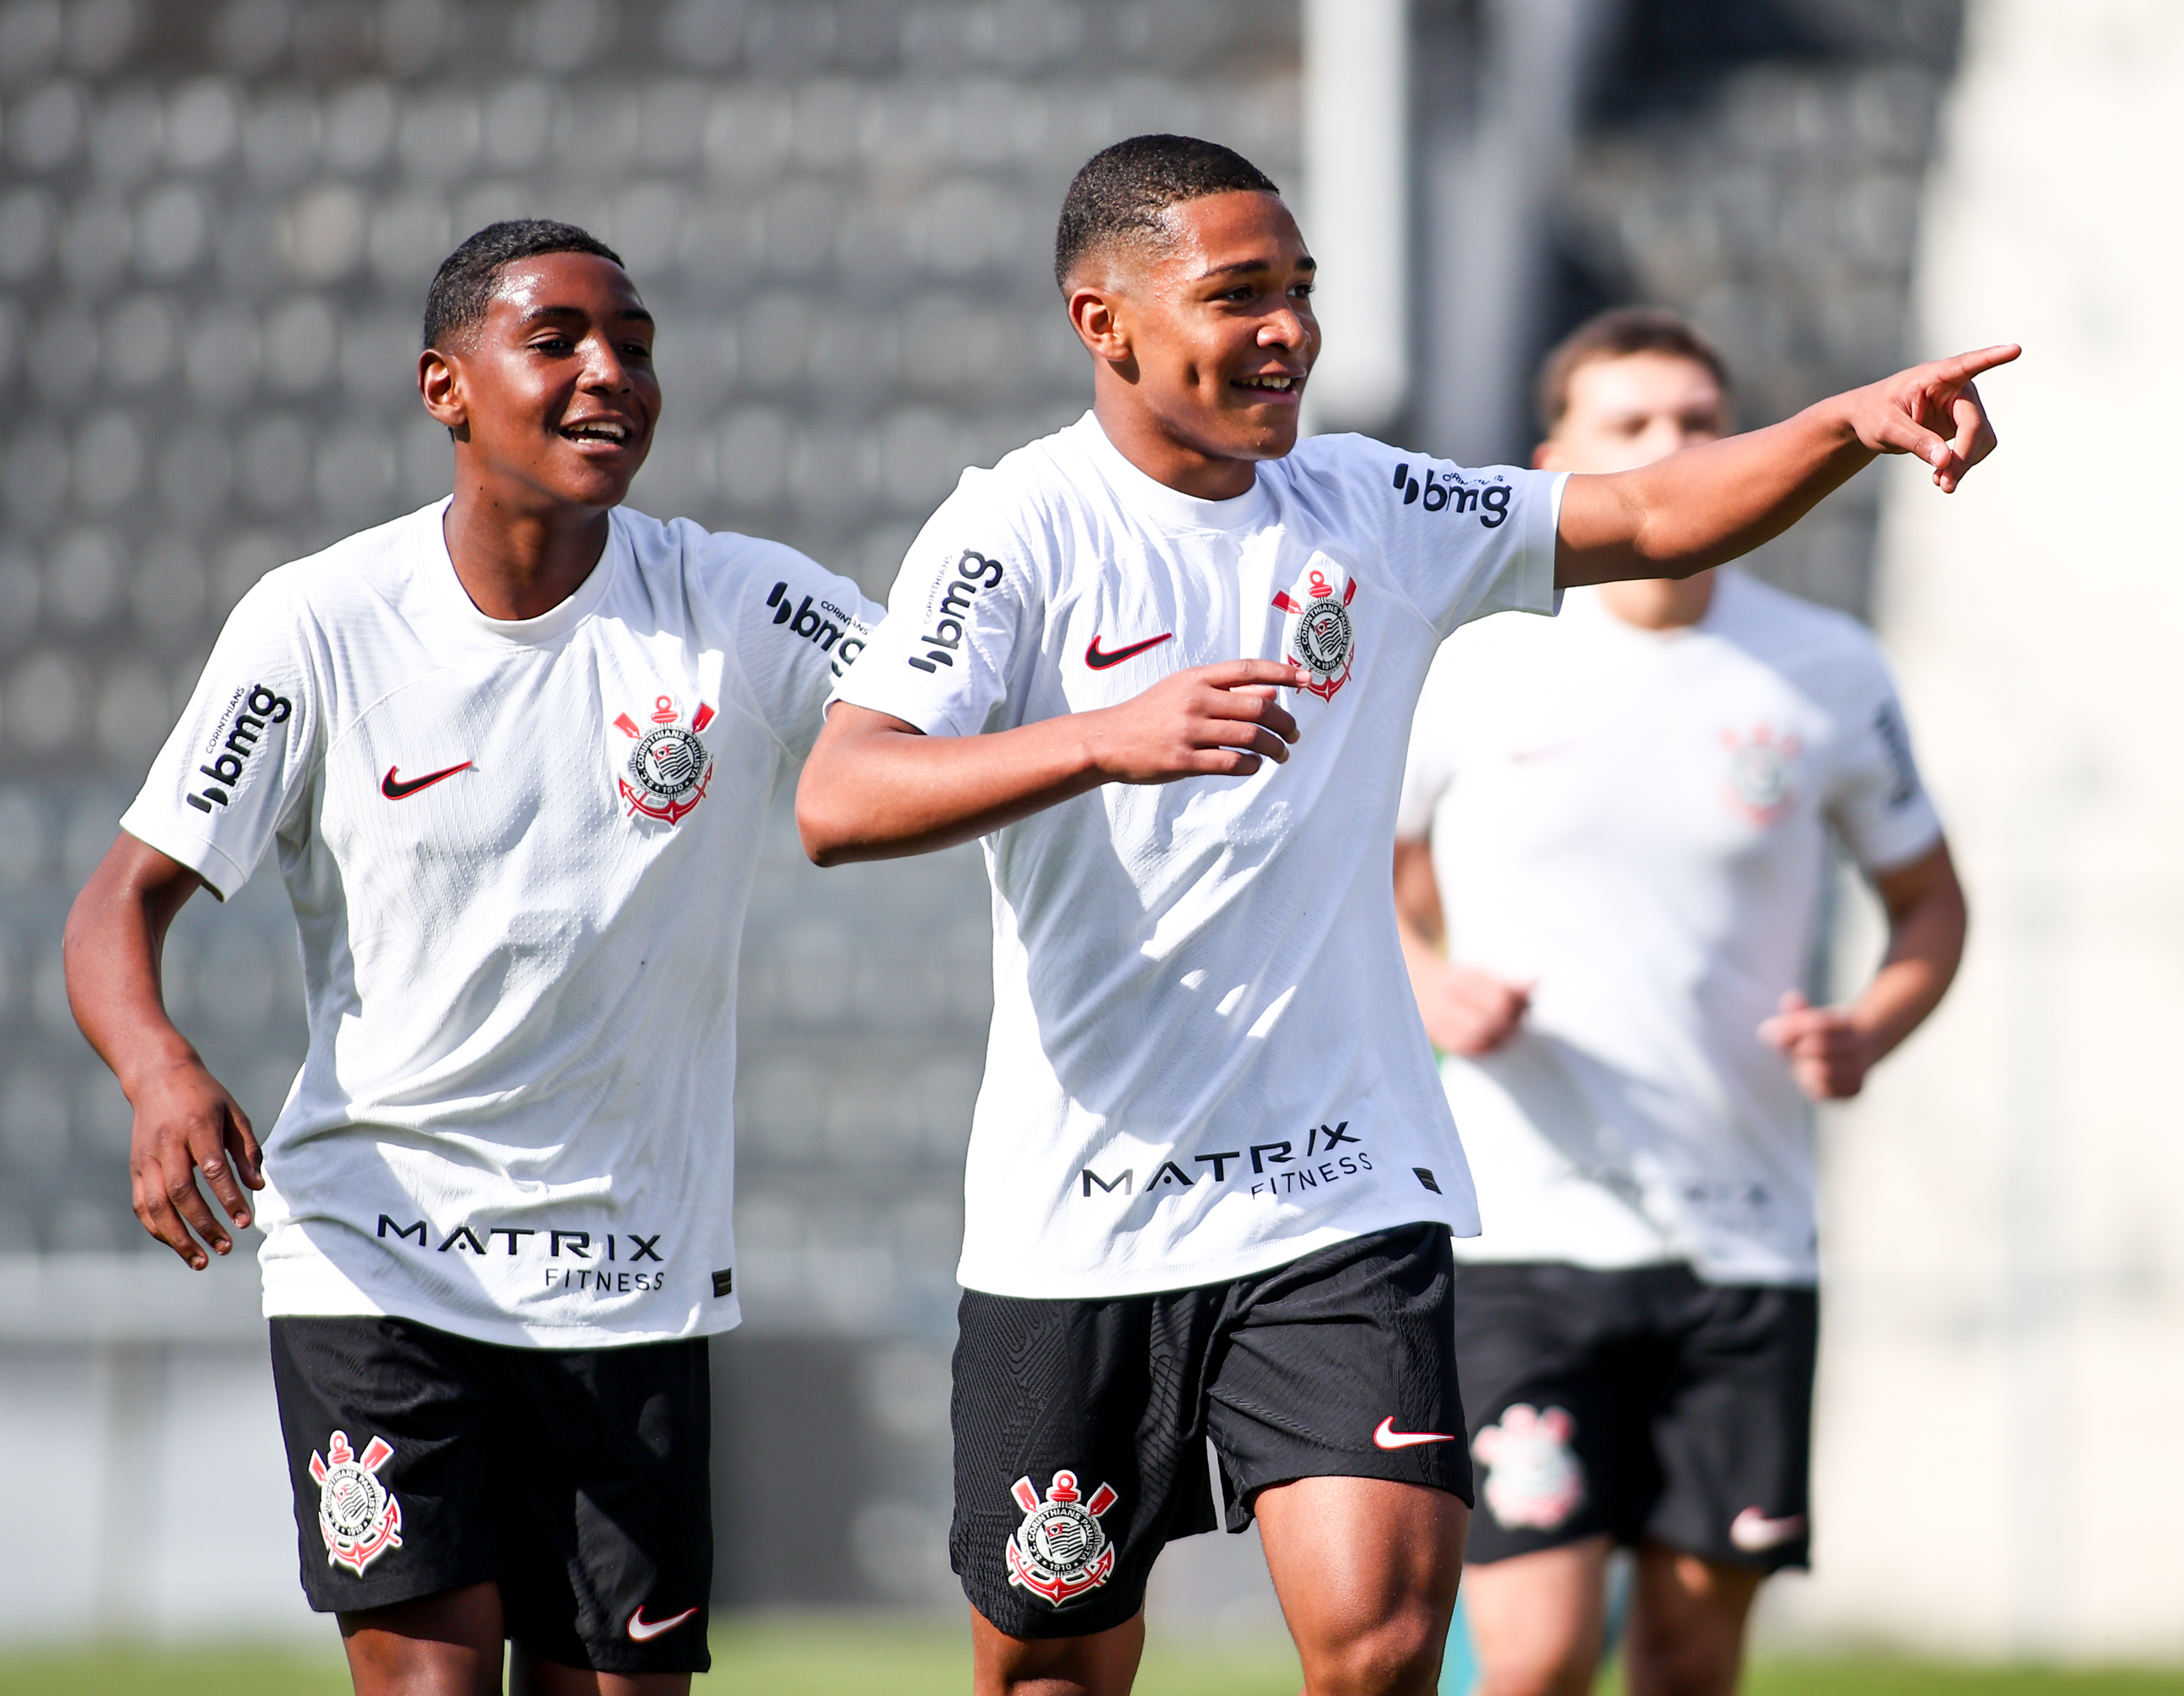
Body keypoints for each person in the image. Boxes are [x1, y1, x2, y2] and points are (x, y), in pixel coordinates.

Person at [796, 132, 2009, 1696]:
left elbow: (1644, 515)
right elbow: (842, 797)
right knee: (1048, 1673)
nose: (1289, 328)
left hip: (1341, 1190)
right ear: (1105, 323)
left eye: (1299, 290)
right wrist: (1103, 734)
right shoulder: (1014, 529)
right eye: (1240, 296)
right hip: (1083, 1209)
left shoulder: (1369, 502)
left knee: (1378, 1640)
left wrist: (1847, 426)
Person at [63, 220, 877, 1696]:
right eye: (555, 338)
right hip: (380, 1257)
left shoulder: (732, 599)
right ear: (446, 386)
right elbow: (120, 903)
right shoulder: (320, 623)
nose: (607, 372)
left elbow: (934, 700)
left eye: (631, 343)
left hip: (630, 1272)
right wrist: (159, 1068)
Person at [1394, 308, 1966, 1696]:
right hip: (1520, 1232)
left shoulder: (1822, 666)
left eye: (1701, 421)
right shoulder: (1473, 659)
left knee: (1692, 1658)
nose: (1676, 446)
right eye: (1635, 426)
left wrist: (1868, 1028)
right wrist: (1429, 983)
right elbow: (1377, 878)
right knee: (1528, 1660)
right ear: (1558, 460)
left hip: (1744, 1236)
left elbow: (1930, 909)